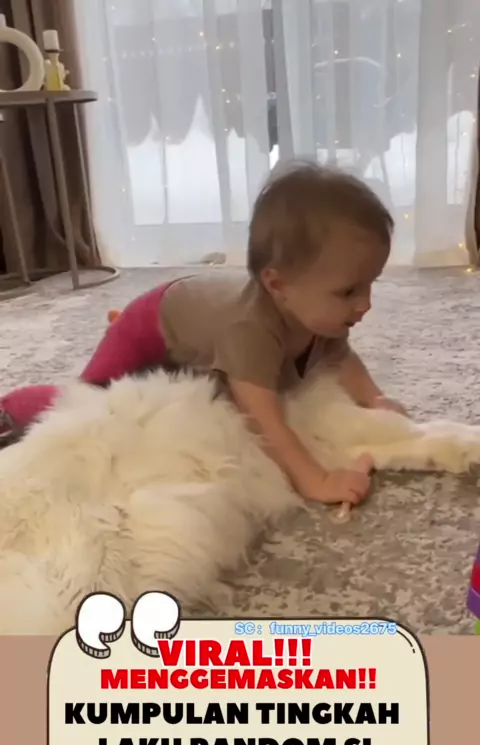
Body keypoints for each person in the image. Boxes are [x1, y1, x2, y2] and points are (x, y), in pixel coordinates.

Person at [0, 160, 406, 506]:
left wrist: (374, 398)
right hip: (148, 325)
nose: (365, 305)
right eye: (349, 292)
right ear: (278, 285)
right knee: (89, 401)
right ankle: (13, 408)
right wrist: (317, 479)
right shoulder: (250, 330)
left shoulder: (318, 314)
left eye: (370, 284)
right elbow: (263, 420)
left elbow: (340, 356)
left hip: (202, 312)